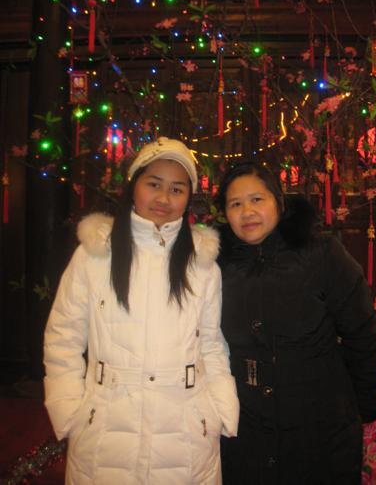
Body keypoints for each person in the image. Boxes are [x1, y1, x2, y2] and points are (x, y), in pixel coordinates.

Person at [43, 137, 239, 485]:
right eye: (154, 184)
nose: (164, 198)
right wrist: (70, 411)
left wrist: (220, 411)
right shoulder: (94, 254)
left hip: (186, 432)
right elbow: (63, 337)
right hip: (105, 430)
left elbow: (211, 343)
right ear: (134, 186)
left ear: (188, 197)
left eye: (177, 189)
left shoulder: (202, 263)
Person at [215, 161, 376, 485]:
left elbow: (360, 332)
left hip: (320, 423)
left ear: (279, 202)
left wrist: (368, 408)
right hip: (246, 426)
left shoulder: (322, 252)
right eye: (235, 204)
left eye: (257, 199)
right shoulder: (215, 265)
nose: (247, 212)